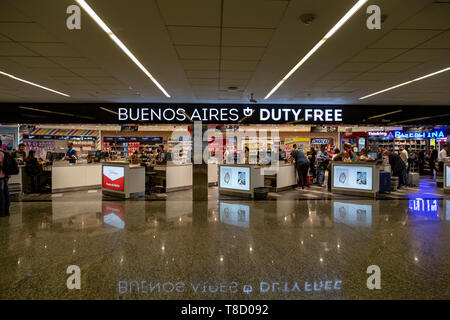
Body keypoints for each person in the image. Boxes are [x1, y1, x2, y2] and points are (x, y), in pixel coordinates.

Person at [0, 139, 11, 216]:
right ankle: (6, 210)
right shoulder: (3, 152)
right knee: (5, 193)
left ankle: (2, 211)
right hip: (5, 175)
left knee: (1, 194)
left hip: (0, 176)